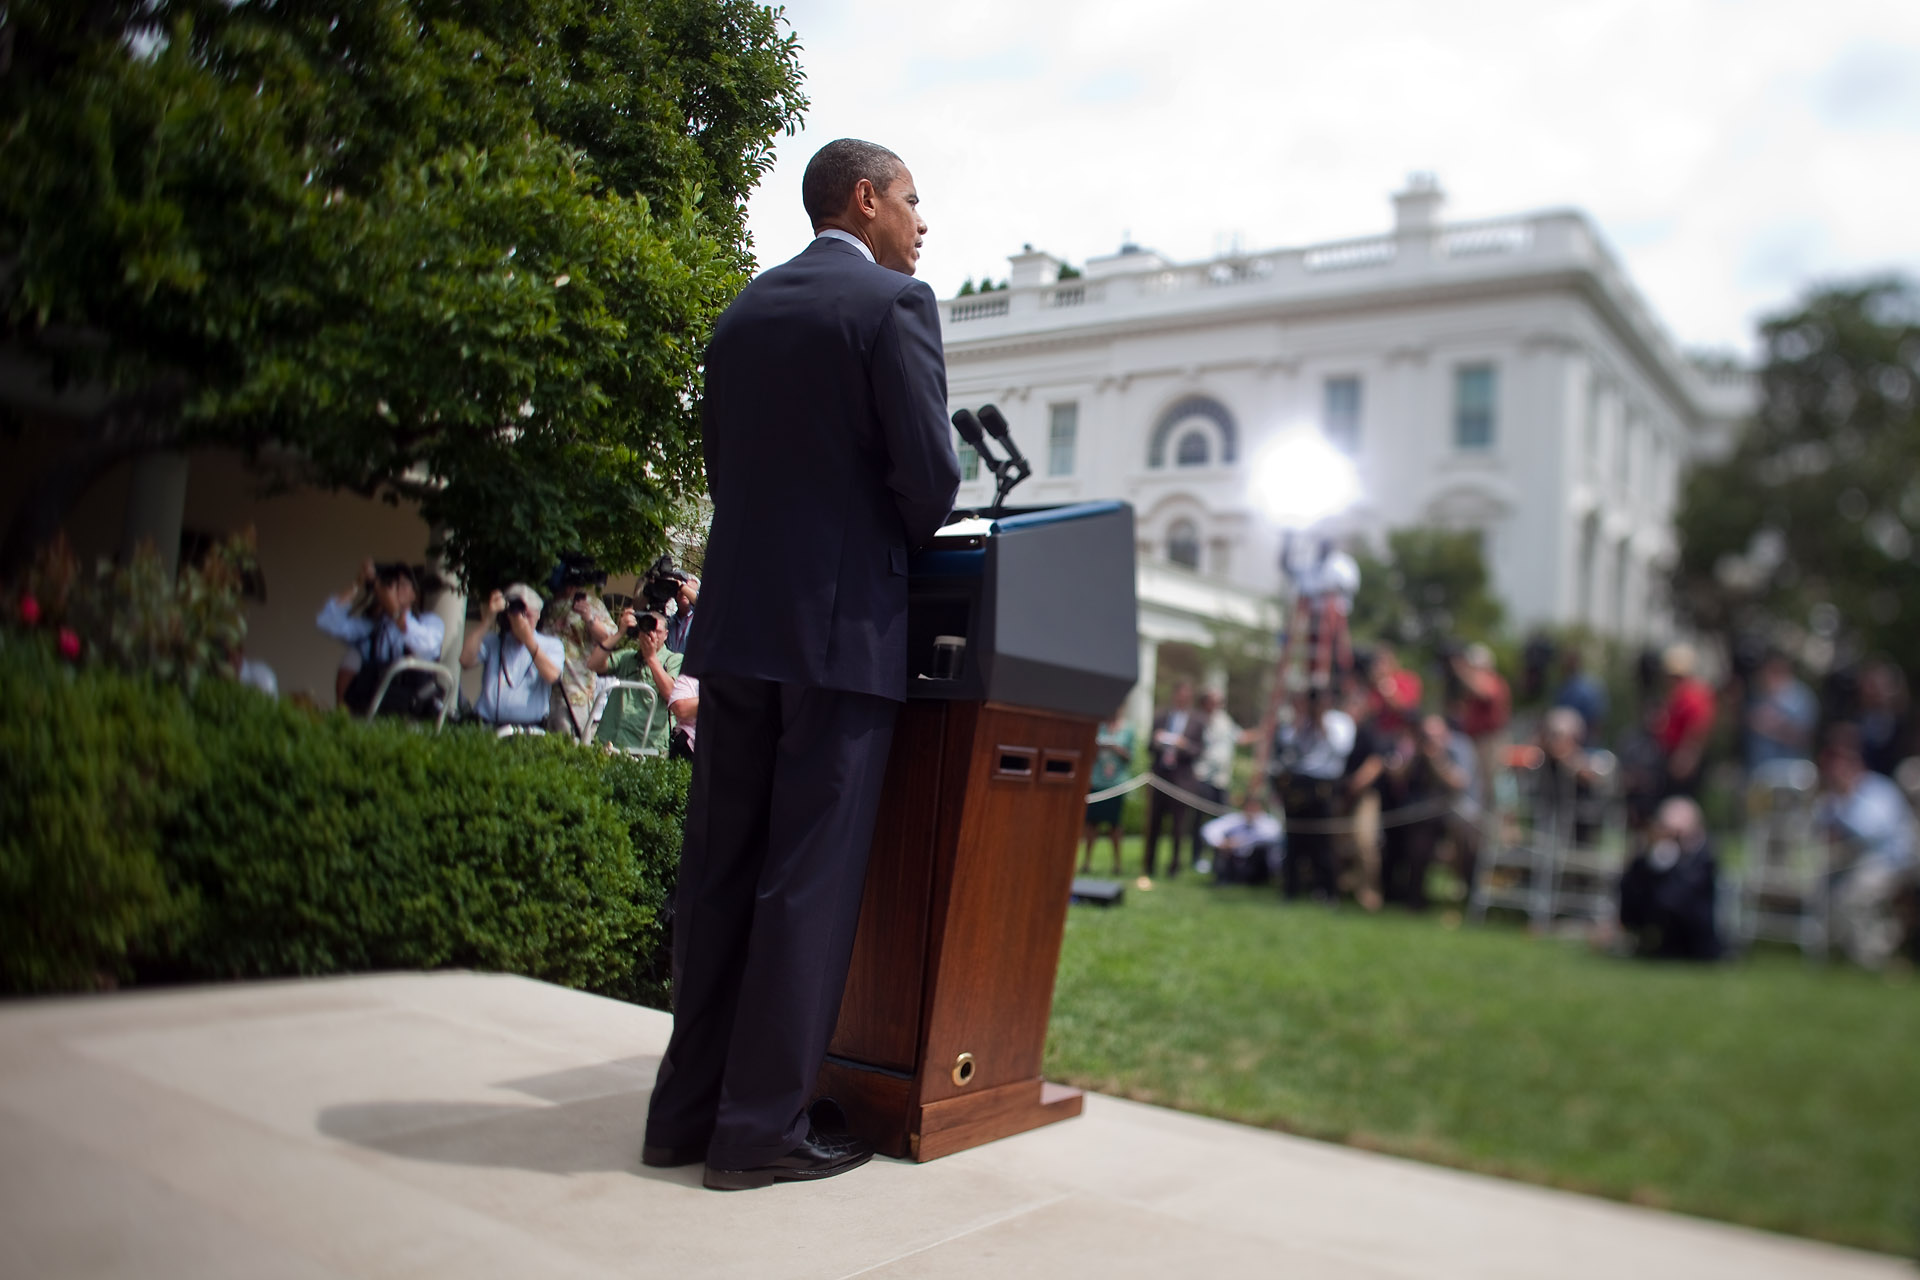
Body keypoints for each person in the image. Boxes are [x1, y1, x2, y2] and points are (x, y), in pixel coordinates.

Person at [642, 138, 960, 1192]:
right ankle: (760, 1129)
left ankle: (684, 1115)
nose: (924, 223)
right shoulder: (891, 309)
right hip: (839, 635)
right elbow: (928, 480)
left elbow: (730, 467)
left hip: (735, 633)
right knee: (806, 884)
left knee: (721, 874)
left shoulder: (741, 313)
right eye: (914, 202)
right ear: (864, 201)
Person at [1815, 724, 1918, 969]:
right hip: (1854, 862)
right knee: (1821, 888)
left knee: (1854, 896)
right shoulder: (1833, 799)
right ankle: (1837, 944)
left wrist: (1844, 805)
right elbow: (1817, 827)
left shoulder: (1878, 790)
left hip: (1893, 862)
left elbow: (1871, 833)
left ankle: (1874, 956)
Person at [316, 558, 445, 714]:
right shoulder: (374, 626)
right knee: (352, 656)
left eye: (403, 584)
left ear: (414, 594)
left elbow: (424, 645)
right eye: (391, 584)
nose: (394, 589)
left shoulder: (429, 622)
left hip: (412, 707)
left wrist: (394, 609)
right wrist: (357, 585)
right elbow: (328, 623)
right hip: (375, 705)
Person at [1270, 684, 1354, 901]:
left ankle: (1327, 891)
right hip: (1298, 783)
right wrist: (1301, 721)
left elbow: (1341, 749)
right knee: (1294, 838)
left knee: (1323, 841)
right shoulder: (1299, 721)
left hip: (1324, 785)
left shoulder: (1341, 721)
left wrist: (1321, 723)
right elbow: (1288, 746)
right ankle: (1290, 889)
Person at [1383, 714, 1473, 910]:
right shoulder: (1413, 751)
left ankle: (1466, 895)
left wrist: (1436, 759)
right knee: (1415, 843)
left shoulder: (1455, 751)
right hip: (1414, 815)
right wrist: (1415, 755)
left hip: (1447, 815)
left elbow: (1459, 782)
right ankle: (1410, 896)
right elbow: (1397, 776)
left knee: (1466, 840)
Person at [1616, 796, 1720, 960]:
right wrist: (1645, 854)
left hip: (1694, 939)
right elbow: (1631, 887)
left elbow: (1676, 898)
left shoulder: (1703, 859)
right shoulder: (1657, 854)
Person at [460, 583, 564, 731]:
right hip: (487, 726)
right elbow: (465, 660)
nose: (523, 620)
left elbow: (553, 676)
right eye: (519, 614)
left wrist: (527, 639)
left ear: (538, 615)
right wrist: (488, 619)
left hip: (530, 729)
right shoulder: (494, 641)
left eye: (528, 615)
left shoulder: (552, 645)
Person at [592, 609, 681, 754]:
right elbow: (593, 664)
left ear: (666, 635)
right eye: (647, 630)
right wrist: (619, 633)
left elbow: (671, 693)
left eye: (657, 631)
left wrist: (651, 658)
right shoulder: (627, 657)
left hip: (645, 747)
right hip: (610, 740)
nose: (651, 636)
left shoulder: (673, 660)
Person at [1144, 681, 1203, 879]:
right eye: (1179, 695)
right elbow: (1149, 746)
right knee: (1154, 823)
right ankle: (1148, 865)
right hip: (1160, 776)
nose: (1182, 698)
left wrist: (1183, 745)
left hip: (1182, 781)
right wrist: (1157, 740)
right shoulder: (1161, 716)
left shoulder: (1197, 721)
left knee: (1178, 826)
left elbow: (1199, 750)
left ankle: (1174, 867)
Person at [1339, 683, 1389, 911]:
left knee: (1365, 842)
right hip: (1338, 795)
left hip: (1363, 795)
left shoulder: (1369, 732)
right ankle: (1340, 886)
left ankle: (1369, 892)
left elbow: (1376, 763)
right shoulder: (1337, 731)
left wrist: (1355, 784)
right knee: (1336, 842)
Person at [1448, 642, 1510, 817]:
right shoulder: (1477, 683)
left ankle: (1496, 833)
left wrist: (1462, 673)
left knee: (1491, 788)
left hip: (1490, 741)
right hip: (1477, 740)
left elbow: (1486, 694)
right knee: (1478, 791)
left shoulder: (1492, 680)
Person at [551, 588, 618, 742]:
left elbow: (610, 638)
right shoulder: (552, 602)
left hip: (581, 691)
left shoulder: (594, 604)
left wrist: (589, 618)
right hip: (552, 689)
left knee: (578, 745)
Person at [1654, 643, 1715, 799]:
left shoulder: (1692, 695)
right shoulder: (1677, 694)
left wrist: (1686, 756)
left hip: (1683, 759)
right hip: (1672, 754)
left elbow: (1698, 727)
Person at [1081, 708, 1135, 876]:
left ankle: (1117, 865)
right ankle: (1086, 863)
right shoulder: (1099, 727)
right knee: (1091, 824)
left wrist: (1116, 748)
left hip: (1116, 784)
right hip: (1097, 781)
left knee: (1115, 825)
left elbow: (1130, 757)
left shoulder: (1128, 730)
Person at [1744, 651, 1816, 774]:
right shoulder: (1758, 694)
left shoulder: (1801, 698)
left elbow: (1805, 737)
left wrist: (1771, 726)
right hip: (1759, 769)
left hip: (1790, 772)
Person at [1201, 793, 1282, 886]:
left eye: (1254, 807)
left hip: (1256, 862)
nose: (1251, 811)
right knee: (1223, 848)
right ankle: (1223, 878)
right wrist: (1221, 842)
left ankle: (1255, 881)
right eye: (1248, 807)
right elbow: (1209, 829)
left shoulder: (1269, 823)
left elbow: (1272, 837)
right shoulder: (1236, 819)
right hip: (1234, 858)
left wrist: (1242, 842)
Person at [1855, 660, 1910, 778]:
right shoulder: (1856, 718)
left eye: (1877, 685)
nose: (1873, 691)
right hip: (1861, 778)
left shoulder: (1901, 720)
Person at [1552, 650, 1609, 748]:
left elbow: (1597, 719)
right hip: (1564, 742)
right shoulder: (1562, 688)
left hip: (1585, 741)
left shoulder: (1590, 687)